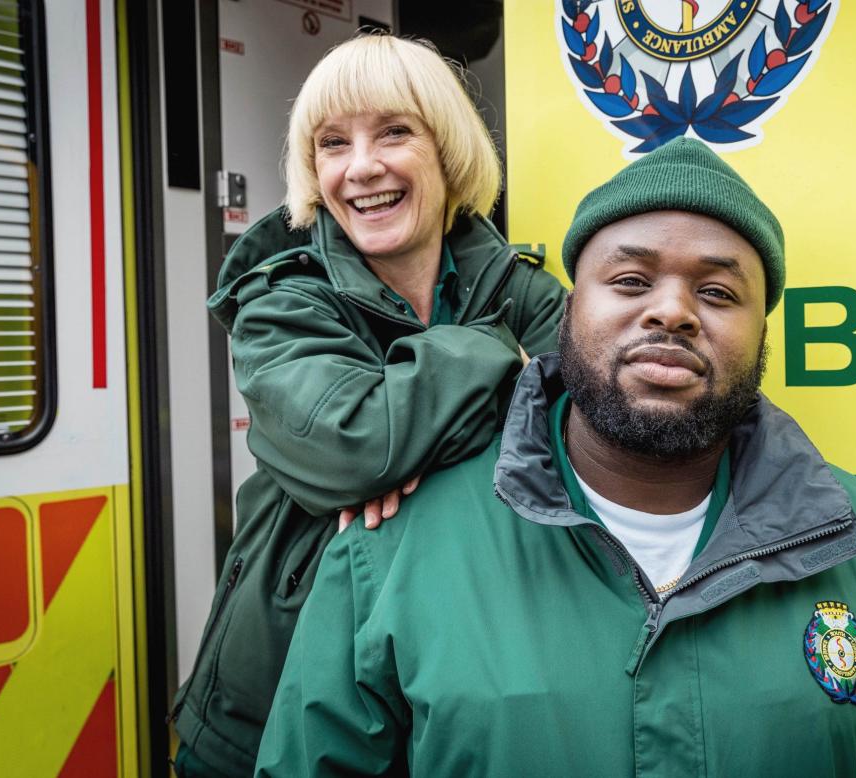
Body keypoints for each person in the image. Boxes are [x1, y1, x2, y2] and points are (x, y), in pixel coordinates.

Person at [255, 138, 856, 777]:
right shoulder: (392, 553)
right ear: (568, 309)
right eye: (629, 281)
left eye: (716, 291)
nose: (672, 311)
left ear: (761, 333)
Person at [170, 35, 566, 776]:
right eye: (331, 144)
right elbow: (353, 446)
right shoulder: (279, 300)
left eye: (393, 131)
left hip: (467, 691)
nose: (361, 167)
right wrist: (494, 359)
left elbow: (576, 439)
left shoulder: (522, 288)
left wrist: (416, 423)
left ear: (447, 149)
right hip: (271, 711)